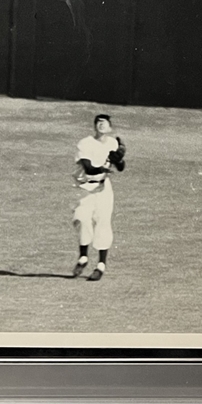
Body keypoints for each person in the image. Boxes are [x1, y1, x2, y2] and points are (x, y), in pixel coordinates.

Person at [70, 114, 126, 281]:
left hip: (103, 189)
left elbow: (121, 167)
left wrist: (119, 160)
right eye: (98, 123)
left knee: (103, 223)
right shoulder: (85, 143)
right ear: (94, 127)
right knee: (81, 219)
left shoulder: (112, 143)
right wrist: (104, 168)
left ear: (110, 127)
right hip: (85, 188)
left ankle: (100, 265)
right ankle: (83, 257)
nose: (101, 126)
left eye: (105, 123)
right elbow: (88, 168)